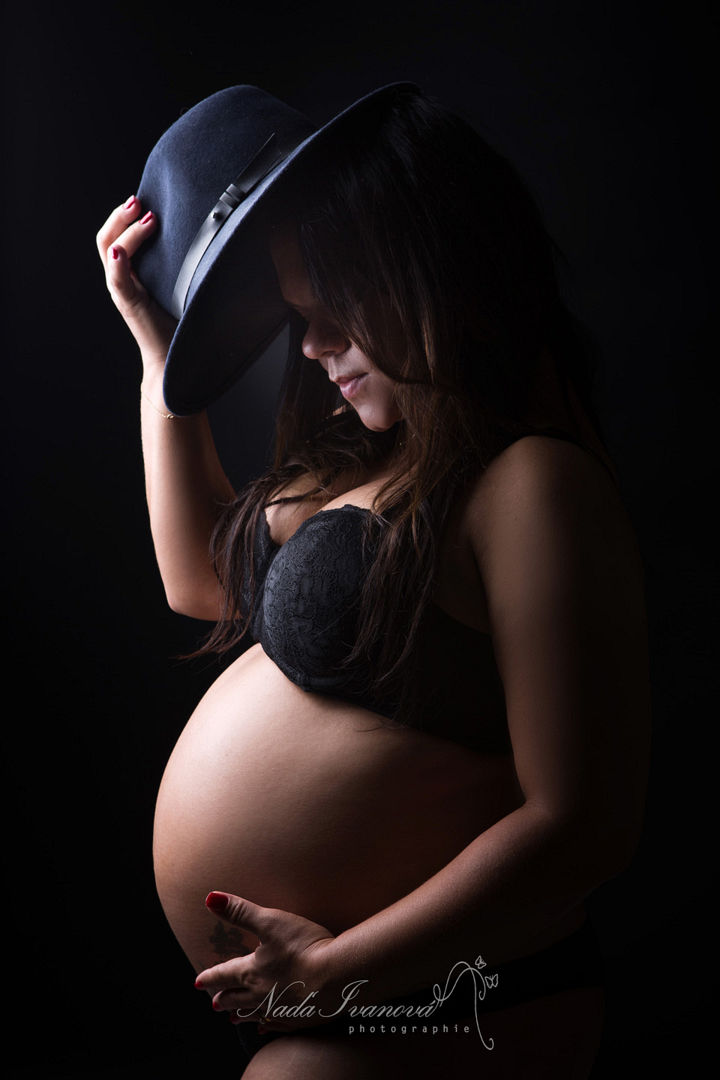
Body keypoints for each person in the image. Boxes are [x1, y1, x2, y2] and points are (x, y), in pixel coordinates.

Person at [96, 83, 650, 1078]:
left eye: (334, 309)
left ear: (430, 268)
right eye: (301, 315)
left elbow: (584, 824)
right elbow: (198, 582)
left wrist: (333, 971)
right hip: (336, 994)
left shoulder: (531, 482)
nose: (310, 345)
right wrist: (160, 360)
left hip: (444, 993)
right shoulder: (358, 459)